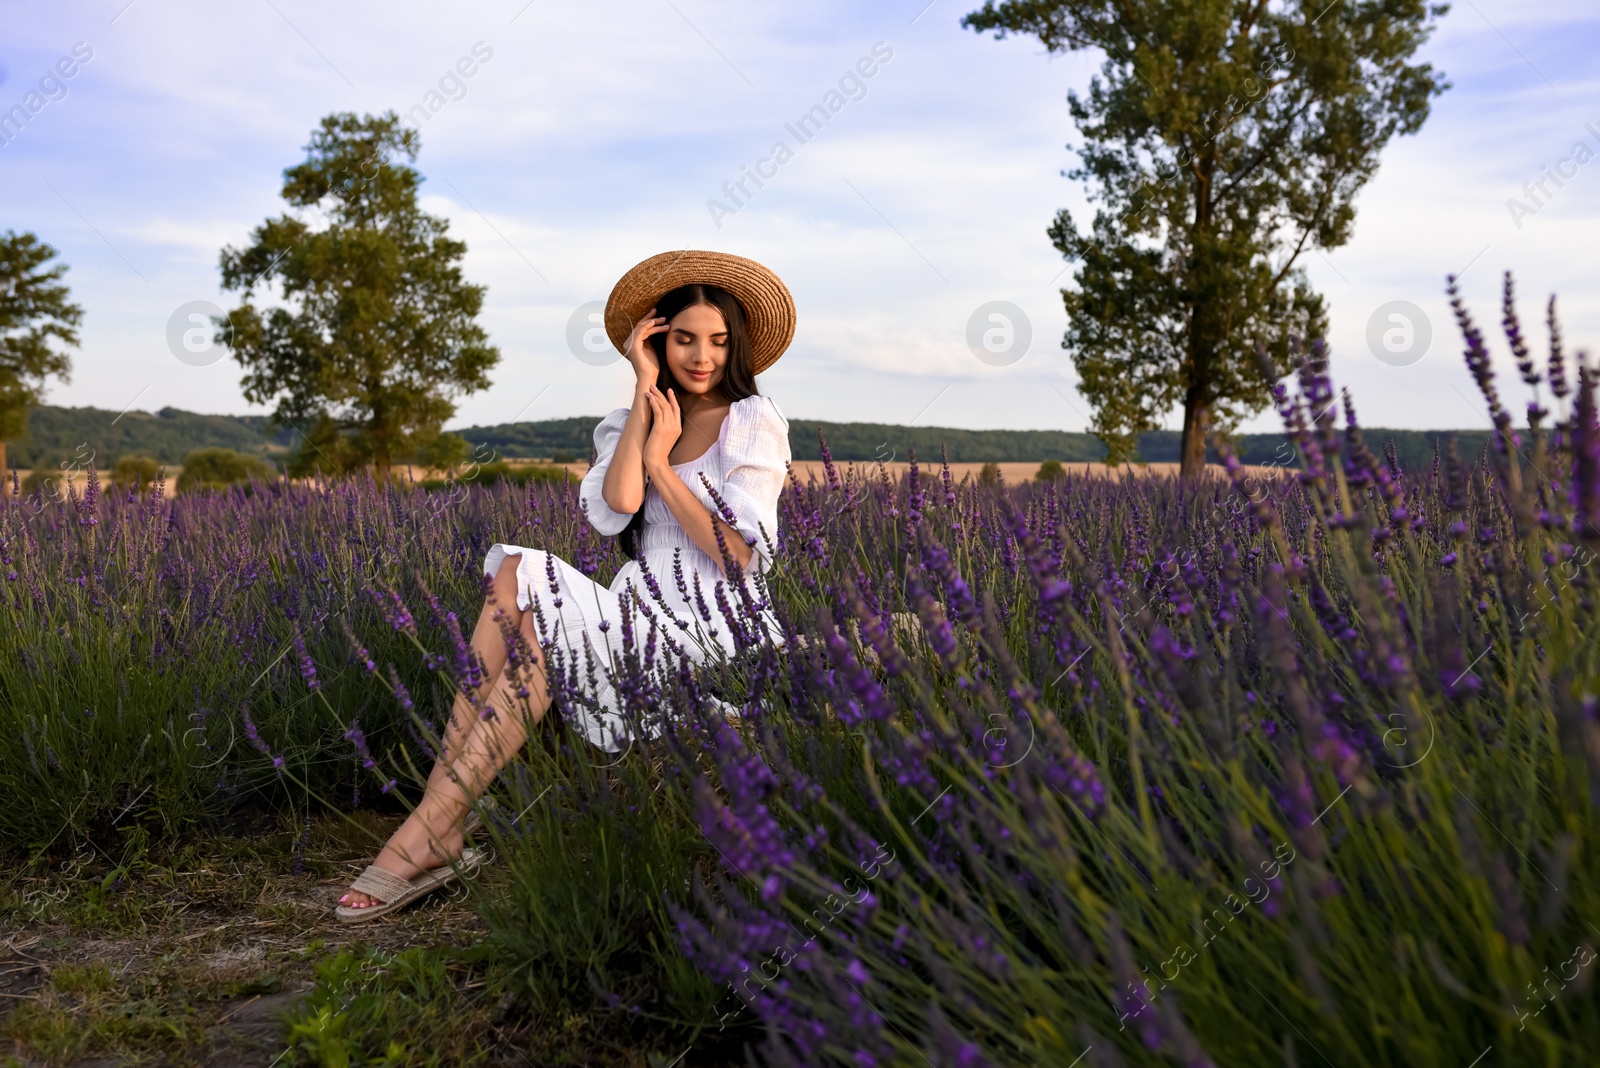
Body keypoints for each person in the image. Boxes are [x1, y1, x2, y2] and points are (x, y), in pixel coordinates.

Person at [337, 250, 795, 921]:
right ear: (658, 340)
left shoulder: (751, 421)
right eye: (684, 338)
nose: (702, 356)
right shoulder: (630, 420)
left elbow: (737, 557)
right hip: (639, 605)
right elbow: (614, 508)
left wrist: (668, 468)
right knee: (516, 572)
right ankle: (440, 821)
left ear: (738, 347)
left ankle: (433, 827)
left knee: (543, 621)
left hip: (711, 626)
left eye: (720, 341)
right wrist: (644, 400)